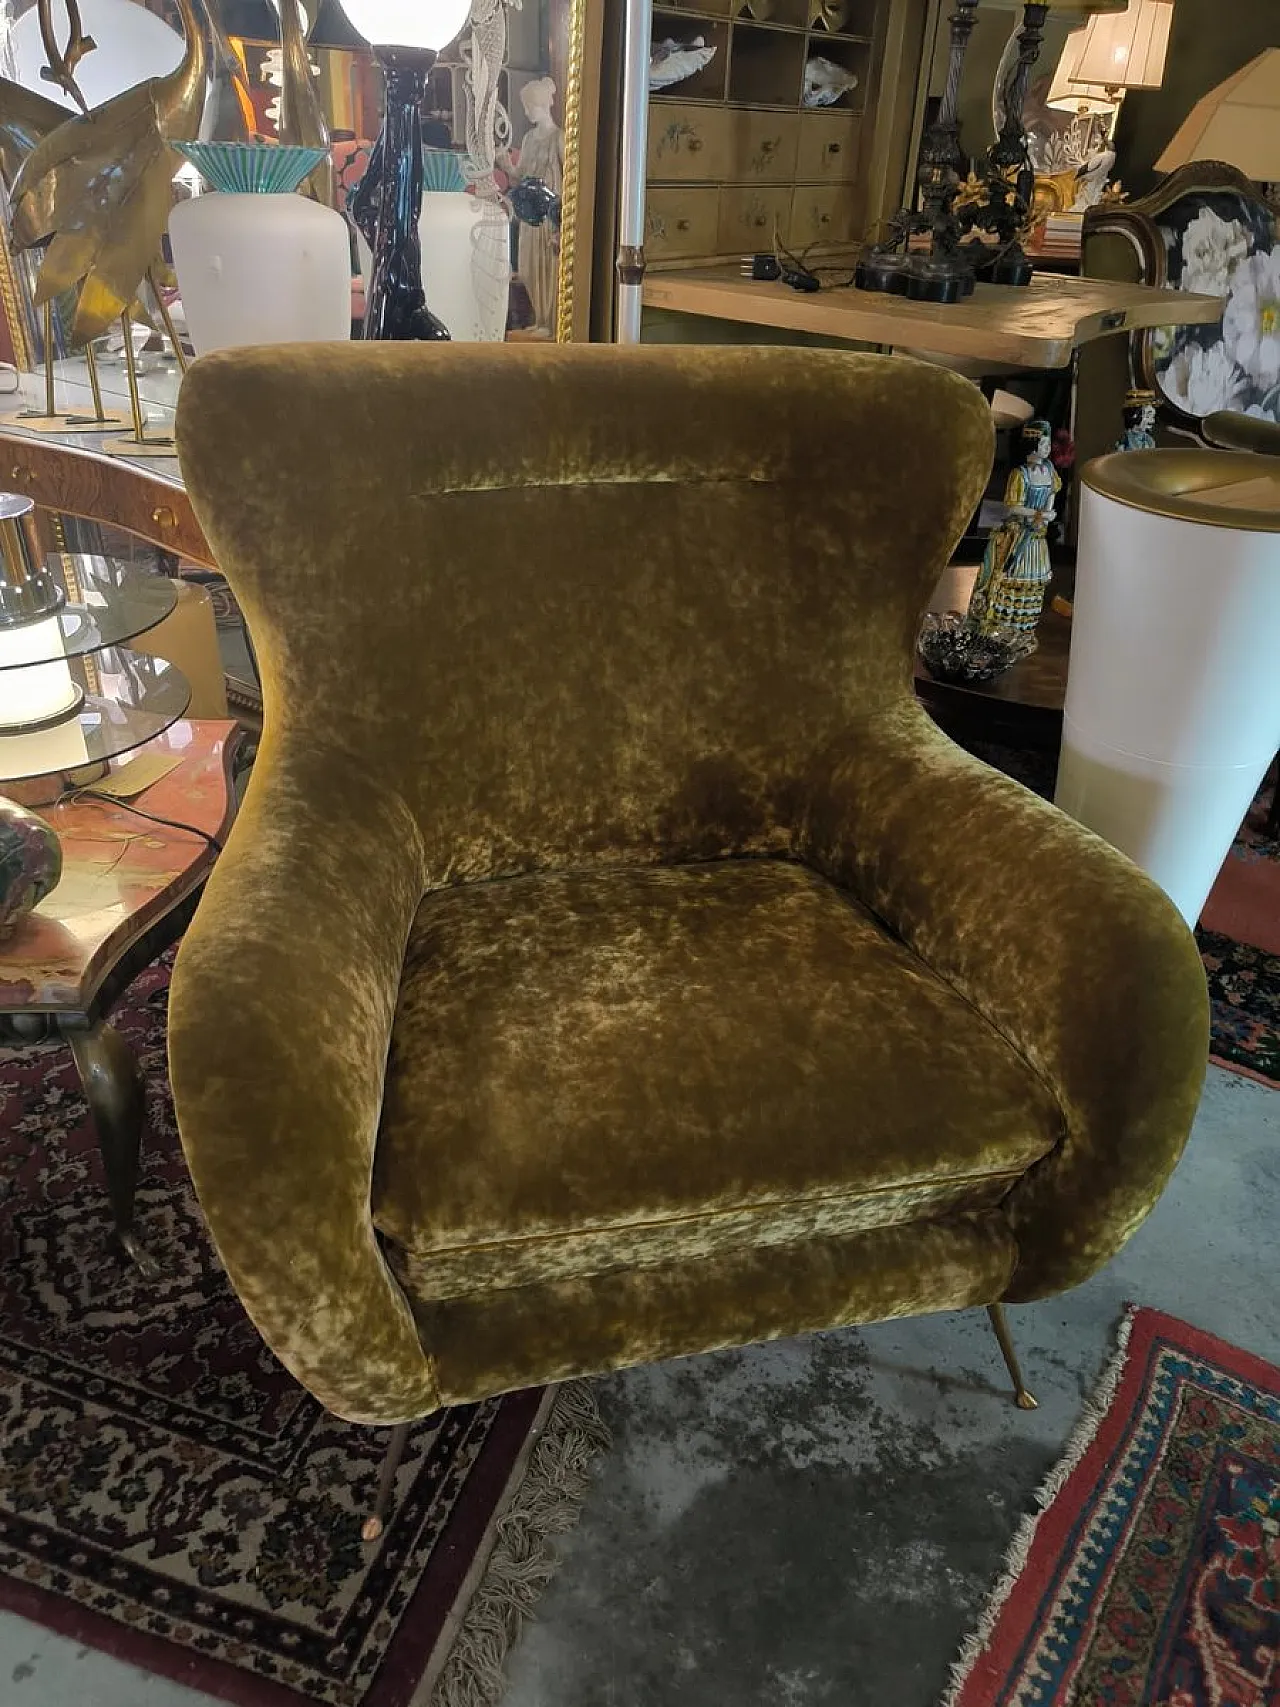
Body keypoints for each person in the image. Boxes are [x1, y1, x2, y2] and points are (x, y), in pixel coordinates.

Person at [967, 419, 1062, 642]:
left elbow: (1052, 492)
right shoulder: (1020, 474)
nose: (1047, 448)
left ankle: (1024, 629)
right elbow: (1012, 506)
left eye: (1048, 444)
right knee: (1009, 577)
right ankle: (1002, 629)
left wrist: (1047, 514)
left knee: (1034, 581)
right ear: (1032, 445)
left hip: (1037, 536)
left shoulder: (1049, 470)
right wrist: (1038, 515)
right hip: (1019, 534)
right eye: (1043, 444)